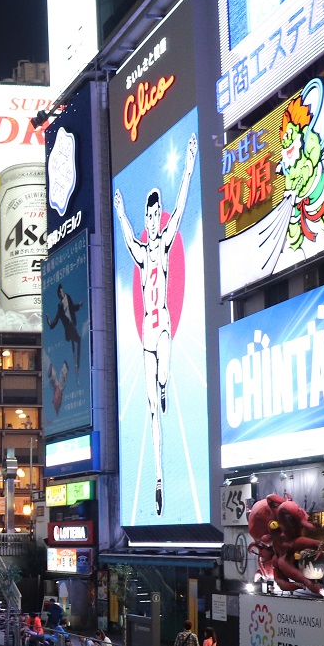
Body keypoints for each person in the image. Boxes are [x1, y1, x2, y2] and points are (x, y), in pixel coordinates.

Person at [114, 132, 198, 516]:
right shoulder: (140, 249)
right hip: (146, 339)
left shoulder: (163, 244)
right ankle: (160, 478)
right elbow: (128, 234)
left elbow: (181, 205)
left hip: (162, 329)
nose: (151, 220)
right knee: (152, 412)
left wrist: (189, 164)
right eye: (148, 215)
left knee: (162, 379)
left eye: (154, 213)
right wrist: (119, 210)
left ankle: (164, 385)